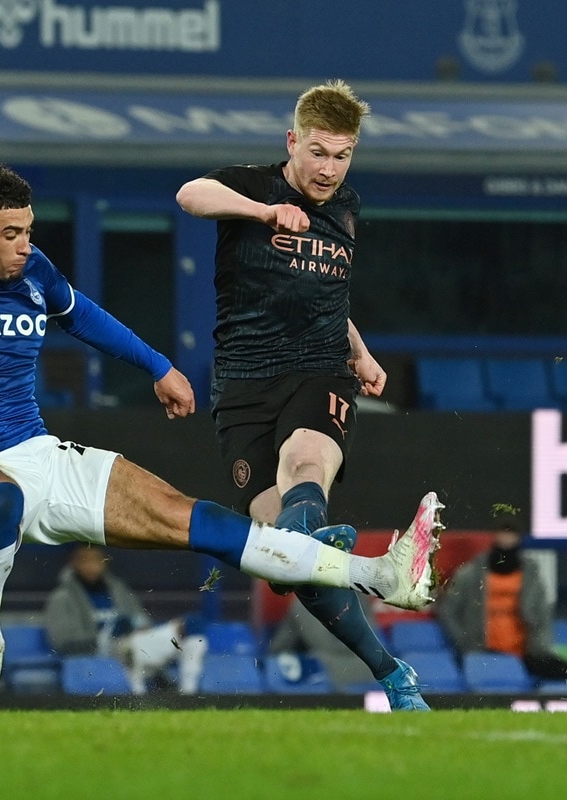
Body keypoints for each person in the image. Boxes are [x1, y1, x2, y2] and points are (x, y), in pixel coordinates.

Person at [0, 162, 441, 715]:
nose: (25, 245)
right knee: (2, 496)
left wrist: (158, 366)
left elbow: (83, 316)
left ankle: (380, 575)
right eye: (11, 234)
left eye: (29, 230)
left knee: (202, 521)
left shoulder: (34, 270)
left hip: (39, 453)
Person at [175, 80, 429, 711]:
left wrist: (359, 352)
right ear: (293, 141)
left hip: (318, 369)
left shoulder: (347, 208)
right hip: (242, 384)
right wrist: (263, 213)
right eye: (318, 152)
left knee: (305, 464)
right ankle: (392, 672)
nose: (329, 169)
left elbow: (326, 295)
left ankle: (316, 544)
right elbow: (189, 195)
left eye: (342, 156)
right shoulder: (250, 186)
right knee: (281, 550)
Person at [44, 544, 206, 695]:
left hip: (135, 643)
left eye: (96, 560)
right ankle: (142, 691)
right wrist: (101, 639)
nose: (91, 566)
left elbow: (141, 619)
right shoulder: (62, 597)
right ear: (74, 564)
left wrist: (139, 627)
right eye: (85, 561)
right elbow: (63, 641)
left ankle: (187, 694)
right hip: (100, 649)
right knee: (124, 633)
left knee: (191, 628)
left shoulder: (117, 589)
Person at [436, 513, 567, 682]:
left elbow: (541, 612)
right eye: (503, 534)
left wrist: (540, 644)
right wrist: (465, 641)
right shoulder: (471, 573)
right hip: (483, 649)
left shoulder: (531, 575)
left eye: (511, 534)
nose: (506, 539)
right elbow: (449, 609)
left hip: (525, 650)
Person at [268, 595, 383, 692]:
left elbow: (278, 650)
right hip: (359, 669)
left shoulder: (302, 604)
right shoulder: (355, 595)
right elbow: (278, 649)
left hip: (333, 670)